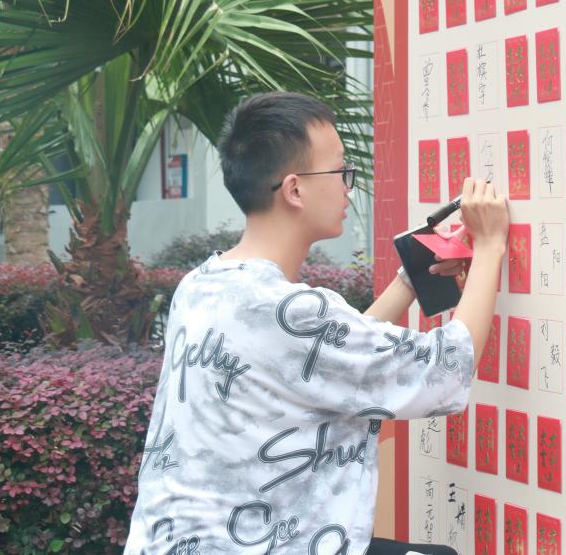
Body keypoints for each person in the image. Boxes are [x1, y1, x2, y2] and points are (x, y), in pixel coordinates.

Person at [124, 92, 510, 554]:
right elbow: (446, 367)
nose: (349, 187)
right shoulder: (287, 310)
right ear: (294, 190)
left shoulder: (202, 284)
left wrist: (409, 280)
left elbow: (320, 359)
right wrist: (490, 245)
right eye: (341, 171)